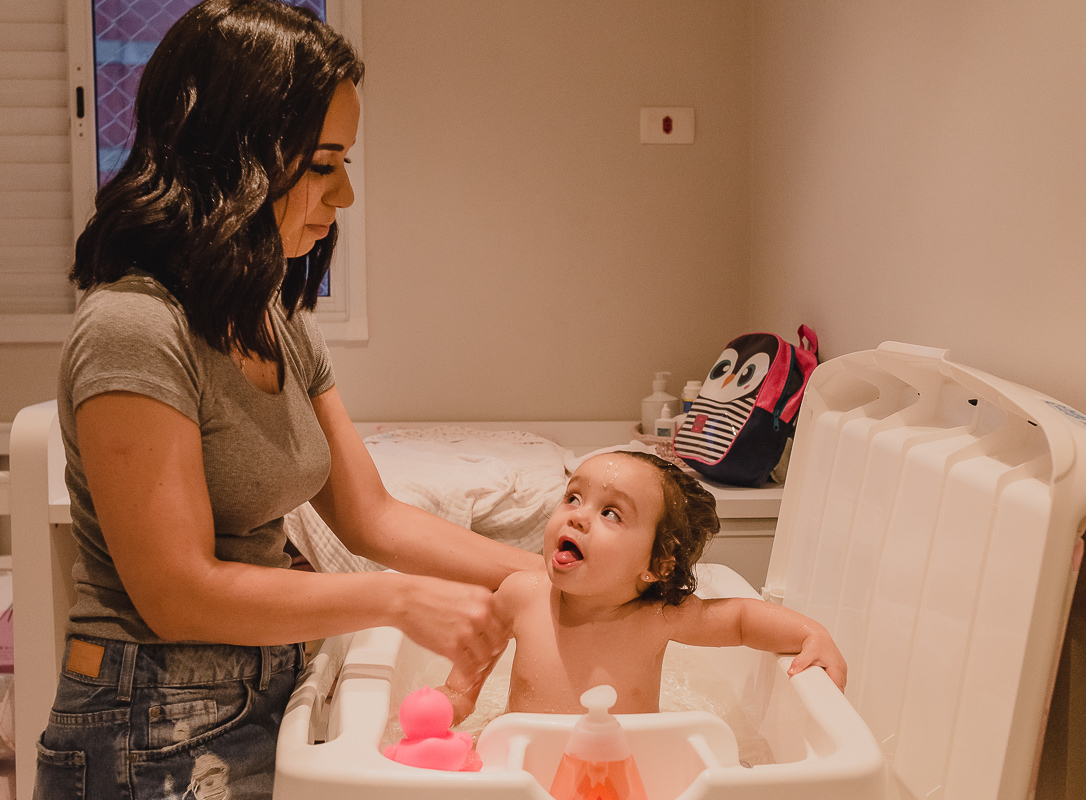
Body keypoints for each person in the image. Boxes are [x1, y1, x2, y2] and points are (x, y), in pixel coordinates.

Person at [37, 2, 540, 798]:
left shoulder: (275, 320)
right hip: (148, 724)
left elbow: (371, 517)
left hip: (263, 690)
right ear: (235, 157)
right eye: (322, 164)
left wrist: (549, 574)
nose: (344, 195)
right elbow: (177, 593)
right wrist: (400, 600)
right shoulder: (133, 326)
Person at [438, 451, 847, 722]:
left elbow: (740, 619)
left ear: (656, 564)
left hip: (624, 768)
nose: (578, 516)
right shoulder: (520, 595)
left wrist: (812, 634)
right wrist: (457, 697)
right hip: (526, 757)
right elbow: (478, 648)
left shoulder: (658, 617)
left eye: (611, 513)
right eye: (573, 497)